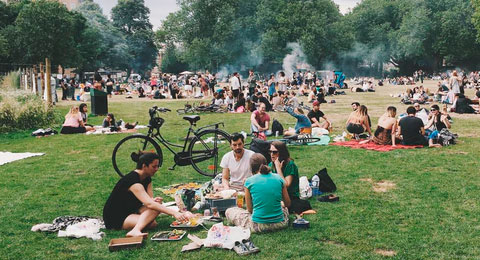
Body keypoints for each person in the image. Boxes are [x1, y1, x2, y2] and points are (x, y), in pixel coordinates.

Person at [103, 152, 193, 237]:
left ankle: (137, 225)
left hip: (132, 210)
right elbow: (149, 204)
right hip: (116, 217)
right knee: (151, 219)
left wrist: (154, 201)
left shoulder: (147, 179)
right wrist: (174, 213)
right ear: (144, 166)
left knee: (153, 218)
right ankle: (135, 230)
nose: (156, 169)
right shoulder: (133, 181)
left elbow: (150, 201)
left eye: (157, 166)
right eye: (154, 166)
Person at [225, 153, 290, 233]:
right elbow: (287, 203)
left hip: (258, 225)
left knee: (229, 211)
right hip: (280, 223)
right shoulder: (278, 178)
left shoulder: (249, 181)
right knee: (283, 207)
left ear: (251, 168)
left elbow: (250, 210)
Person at [269, 141, 311, 214]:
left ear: (281, 153)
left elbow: (286, 185)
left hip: (290, 197)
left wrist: (278, 169)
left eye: (275, 152)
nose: (272, 154)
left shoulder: (290, 165)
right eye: (270, 152)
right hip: (276, 196)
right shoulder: (271, 165)